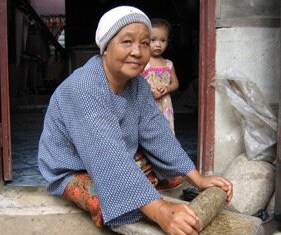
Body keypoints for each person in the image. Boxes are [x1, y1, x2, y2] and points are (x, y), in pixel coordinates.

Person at [38, 6, 233, 235]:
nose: (138, 52)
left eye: (145, 43)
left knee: (172, 178)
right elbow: (107, 156)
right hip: (73, 166)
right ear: (106, 48)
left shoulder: (138, 84)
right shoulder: (84, 88)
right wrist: (163, 212)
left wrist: (198, 179)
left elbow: (157, 132)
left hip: (115, 152)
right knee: (116, 204)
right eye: (127, 42)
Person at [142, 18, 179, 133]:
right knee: (149, 130)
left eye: (163, 40)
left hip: (165, 105)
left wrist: (167, 88)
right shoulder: (142, 63)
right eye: (153, 40)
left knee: (165, 130)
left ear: (168, 42)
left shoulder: (168, 64)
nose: (158, 44)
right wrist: (150, 91)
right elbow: (135, 83)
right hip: (147, 103)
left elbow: (175, 83)